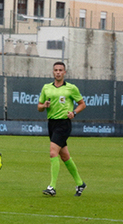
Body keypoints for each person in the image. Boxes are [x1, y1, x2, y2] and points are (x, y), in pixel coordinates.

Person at [37, 61, 87, 197]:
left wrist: (74, 113)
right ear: (53, 72)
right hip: (51, 124)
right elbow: (39, 107)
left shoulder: (71, 88)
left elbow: (82, 104)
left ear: (64, 72)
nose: (58, 72)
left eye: (60, 70)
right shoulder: (46, 88)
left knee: (53, 152)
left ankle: (52, 187)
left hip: (64, 124)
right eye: (56, 70)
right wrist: (44, 105)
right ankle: (80, 183)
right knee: (64, 156)